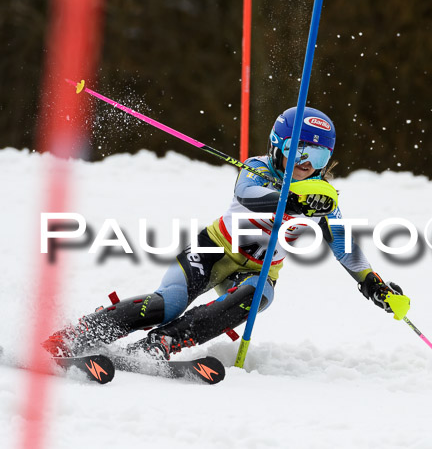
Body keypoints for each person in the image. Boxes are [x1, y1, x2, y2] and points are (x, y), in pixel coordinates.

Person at [44, 107, 410, 360]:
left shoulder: (324, 200)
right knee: (167, 304)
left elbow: (345, 247)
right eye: (298, 150)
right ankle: (81, 332)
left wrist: (374, 285)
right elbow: (249, 195)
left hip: (258, 269)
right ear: (277, 147)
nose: (304, 164)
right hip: (214, 249)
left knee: (257, 300)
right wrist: (295, 201)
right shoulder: (257, 168)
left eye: (316, 157)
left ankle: (162, 344)